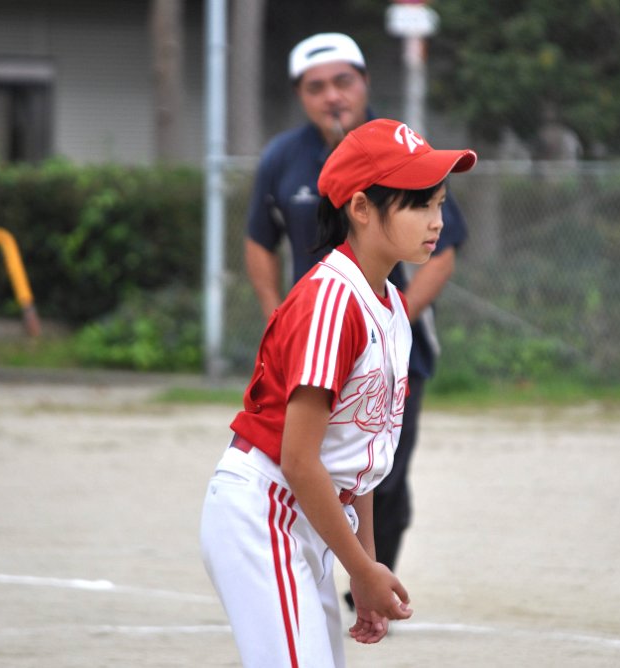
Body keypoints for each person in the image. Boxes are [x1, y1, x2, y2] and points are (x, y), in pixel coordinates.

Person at [201, 118, 477, 667]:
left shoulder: (391, 307)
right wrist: (359, 568)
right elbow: (299, 460)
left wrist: (366, 568)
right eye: (419, 204)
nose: (437, 221)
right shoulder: (332, 301)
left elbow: (358, 456)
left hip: (310, 517)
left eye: (440, 204)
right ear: (361, 208)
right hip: (266, 512)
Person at [244, 33, 469, 604]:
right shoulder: (283, 159)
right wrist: (278, 317)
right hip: (323, 343)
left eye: (343, 81)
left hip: (391, 340)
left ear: (365, 82)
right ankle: (346, 570)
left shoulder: (403, 152)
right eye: (316, 87)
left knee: (378, 469)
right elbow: (258, 242)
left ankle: (367, 579)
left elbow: (444, 254)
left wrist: (388, 325)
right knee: (315, 457)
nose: (332, 96)